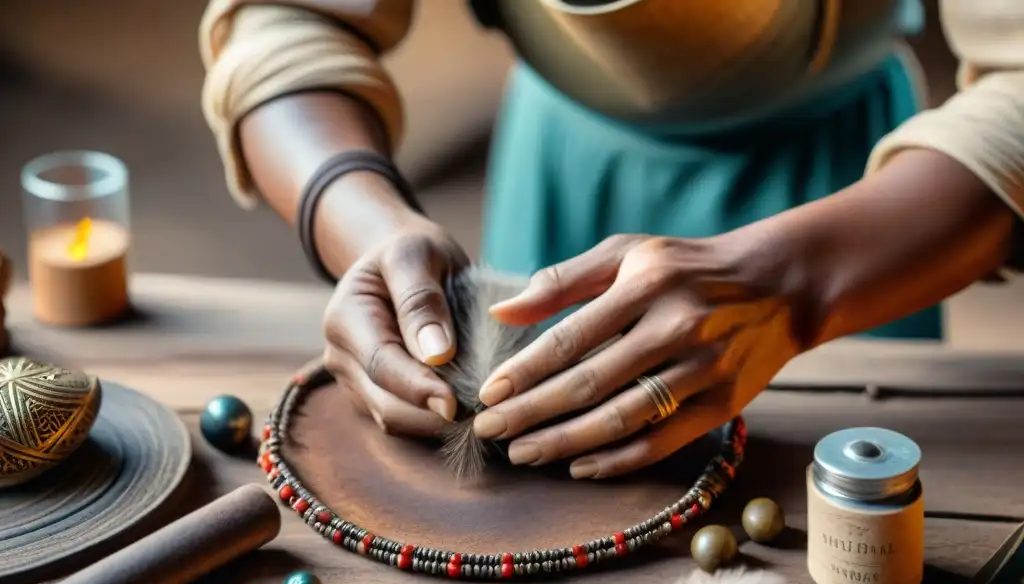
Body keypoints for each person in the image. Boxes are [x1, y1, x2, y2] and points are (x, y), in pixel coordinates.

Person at [200, 0, 1022, 479]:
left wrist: (799, 286)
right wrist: (366, 225)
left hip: (866, 221)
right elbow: (283, 21)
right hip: (560, 172)